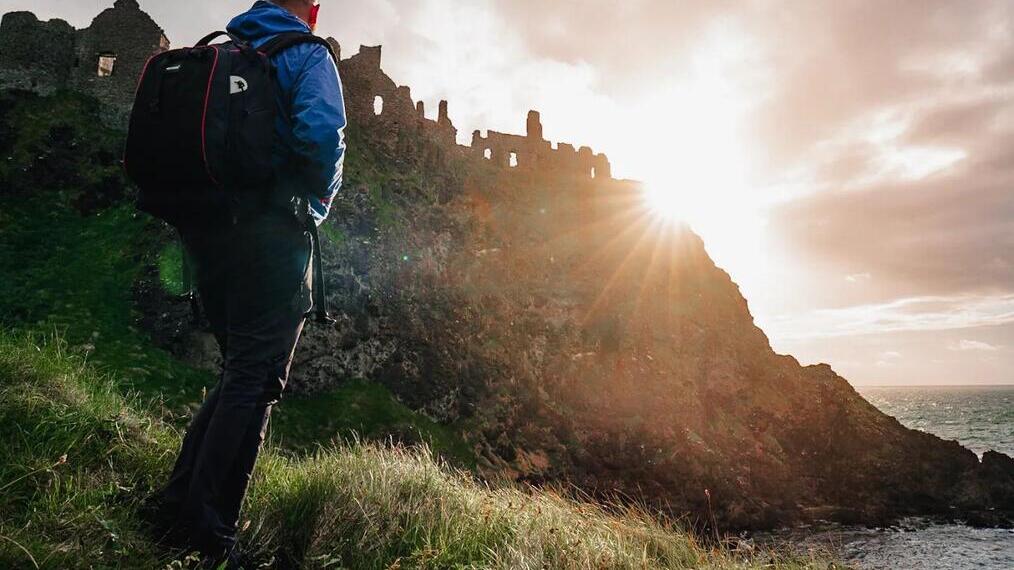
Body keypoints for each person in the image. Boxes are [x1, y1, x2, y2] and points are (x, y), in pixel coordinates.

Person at [144, 1, 346, 567]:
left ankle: (175, 507)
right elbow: (322, 136)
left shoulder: (224, 47)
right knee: (256, 382)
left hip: (207, 235)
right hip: (270, 238)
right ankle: (207, 533)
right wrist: (317, 202)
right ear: (311, 10)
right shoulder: (307, 55)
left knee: (241, 373)